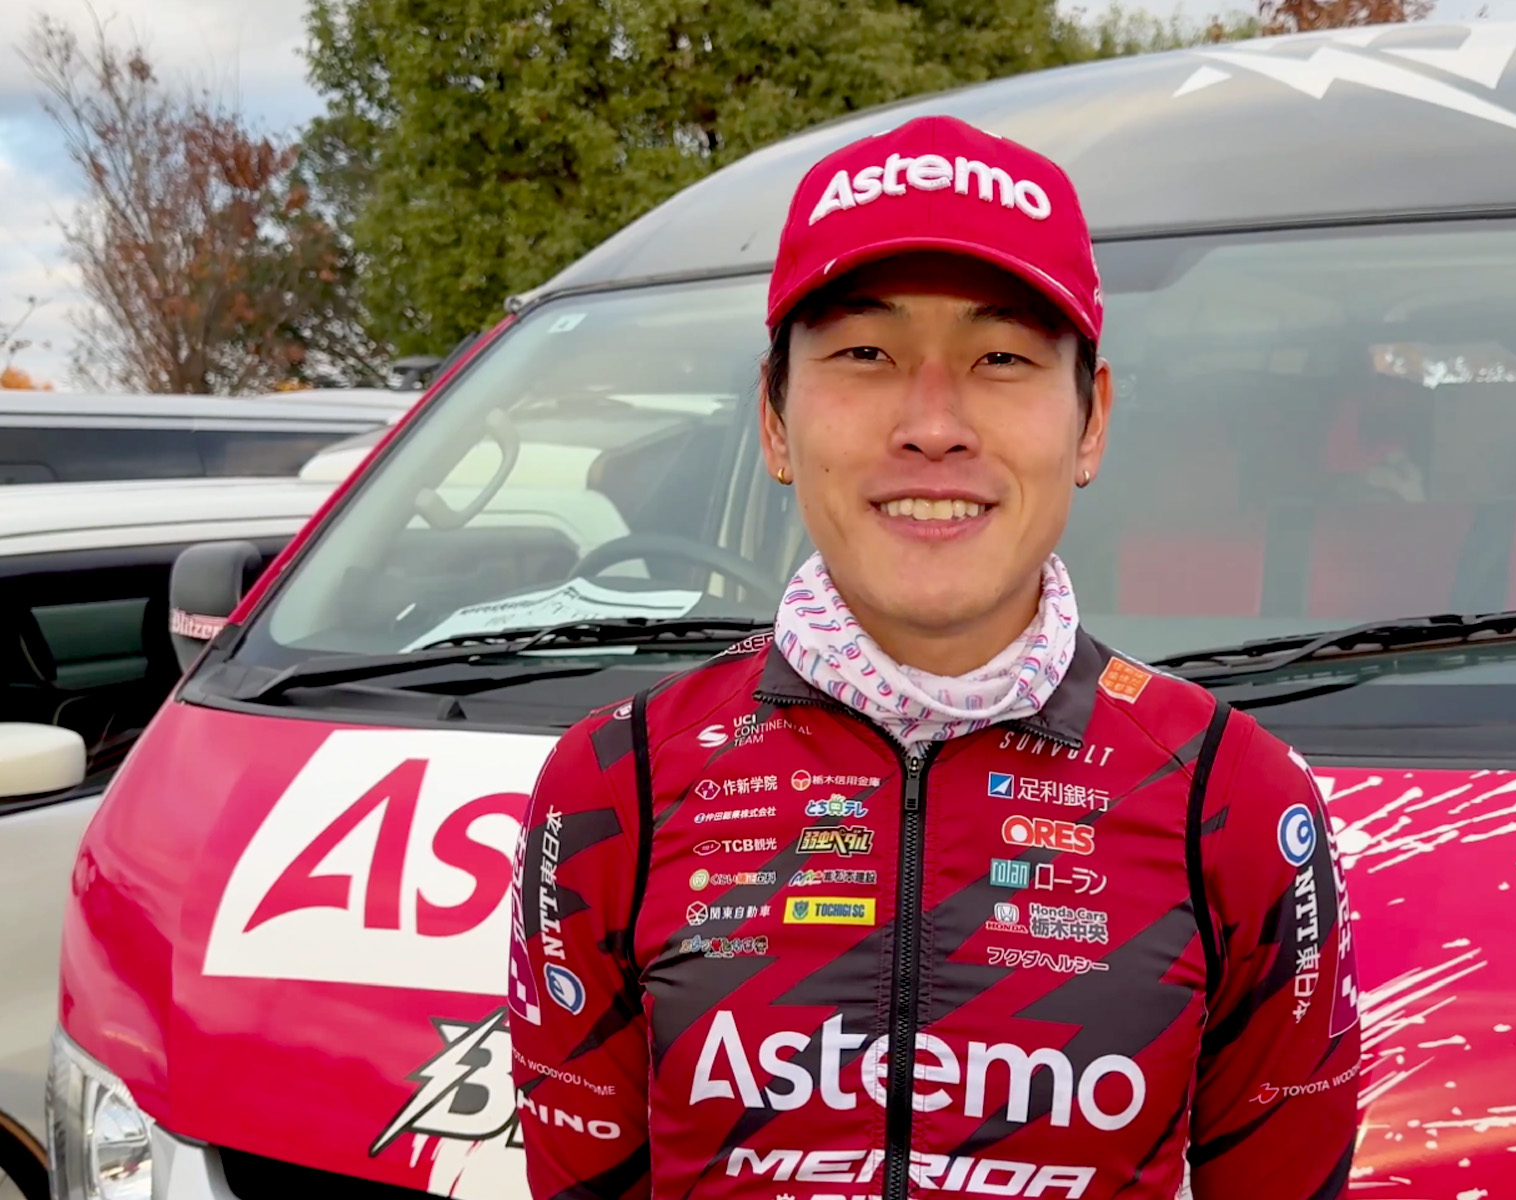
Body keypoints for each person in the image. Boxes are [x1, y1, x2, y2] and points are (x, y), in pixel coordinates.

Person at [508, 114, 1360, 1200]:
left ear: (1091, 421)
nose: (933, 424)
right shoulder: (611, 787)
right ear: (775, 419)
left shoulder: (1233, 798)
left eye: (1001, 358)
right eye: (864, 354)